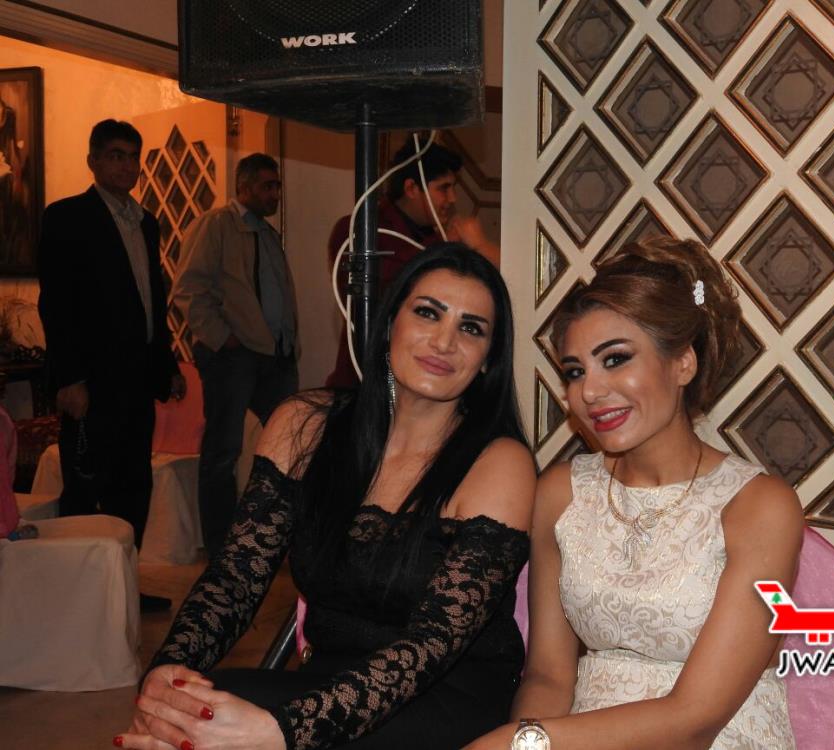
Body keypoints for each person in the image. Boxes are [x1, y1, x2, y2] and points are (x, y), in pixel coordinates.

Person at [118, 244, 536, 750]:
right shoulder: (305, 426)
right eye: (428, 313)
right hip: (323, 680)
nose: (445, 341)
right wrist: (170, 670)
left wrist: (283, 731)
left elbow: (431, 645)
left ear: (488, 359)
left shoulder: (499, 462)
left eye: (471, 328)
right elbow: (235, 579)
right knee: (184, 716)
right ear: (390, 323)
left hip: (443, 696)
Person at [468, 236, 803, 750]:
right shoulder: (561, 493)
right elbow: (549, 677)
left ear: (683, 363)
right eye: (575, 371)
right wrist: (528, 744)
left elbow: (695, 719)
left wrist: (516, 743)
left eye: (616, 359)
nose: (589, 391)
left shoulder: (759, 506)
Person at [37, 119, 185, 613]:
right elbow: (56, 304)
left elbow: (151, 300)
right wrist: (70, 379)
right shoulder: (67, 217)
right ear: (94, 161)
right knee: (85, 486)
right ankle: (74, 598)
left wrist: (167, 364)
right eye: (116, 155)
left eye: (133, 156)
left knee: (133, 488)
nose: (127, 165)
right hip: (92, 381)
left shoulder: (146, 221)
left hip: (137, 379)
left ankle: (122, 587)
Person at [173, 153, 299, 556]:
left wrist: (288, 344)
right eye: (266, 185)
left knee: (290, 445)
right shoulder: (216, 225)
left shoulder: (267, 234)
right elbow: (189, 289)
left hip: (274, 357)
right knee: (223, 451)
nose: (274, 193)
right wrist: (223, 338)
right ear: (243, 187)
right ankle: (222, 548)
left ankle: (274, 539)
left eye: (277, 186)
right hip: (234, 356)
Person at [326, 136, 499, 389]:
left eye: (453, 188)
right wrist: (452, 250)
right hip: (366, 382)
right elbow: (390, 296)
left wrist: (477, 245)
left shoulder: (436, 238)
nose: (452, 199)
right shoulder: (360, 230)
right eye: (444, 188)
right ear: (411, 188)